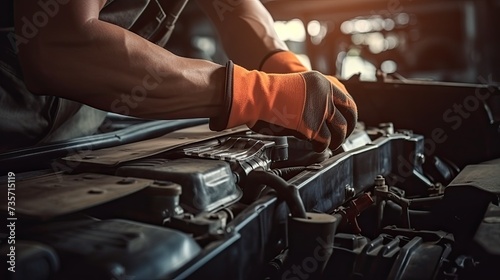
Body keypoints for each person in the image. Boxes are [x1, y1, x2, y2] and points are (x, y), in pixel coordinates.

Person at [0, 0, 357, 153]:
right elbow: (60, 44)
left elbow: (235, 8)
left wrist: (283, 65)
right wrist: (258, 94)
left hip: (71, 142)